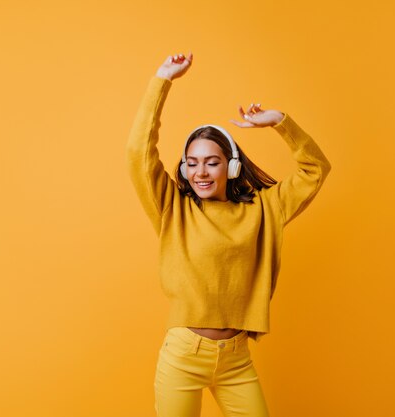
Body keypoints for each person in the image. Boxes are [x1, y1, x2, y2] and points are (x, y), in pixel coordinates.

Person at [126, 52, 331, 417]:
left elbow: (315, 169)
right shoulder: (174, 209)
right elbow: (138, 153)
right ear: (185, 171)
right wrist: (162, 79)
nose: (201, 172)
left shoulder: (263, 210)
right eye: (192, 163)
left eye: (212, 161)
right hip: (183, 356)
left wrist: (281, 122)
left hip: (236, 359)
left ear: (232, 167)